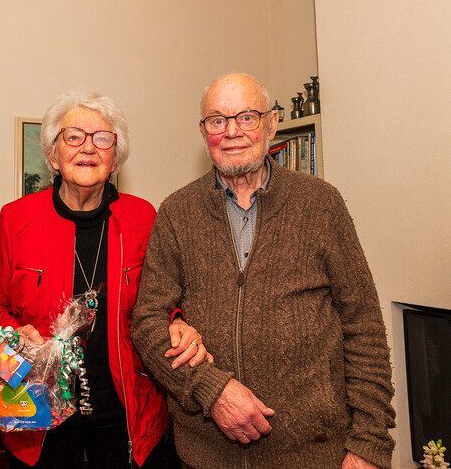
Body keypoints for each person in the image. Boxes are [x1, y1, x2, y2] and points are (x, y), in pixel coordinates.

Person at [131, 73, 396, 469]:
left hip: (315, 455)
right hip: (207, 457)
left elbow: (364, 327)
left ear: (271, 124)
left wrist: (369, 444)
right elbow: (147, 322)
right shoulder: (176, 212)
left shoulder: (321, 205)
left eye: (247, 117)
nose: (232, 131)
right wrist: (212, 391)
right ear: (204, 132)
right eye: (217, 120)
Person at [0, 89, 208, 468]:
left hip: (125, 412)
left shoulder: (143, 218)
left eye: (102, 138)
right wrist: (13, 337)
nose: (89, 148)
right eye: (74, 137)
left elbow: (163, 299)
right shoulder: (17, 219)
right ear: (52, 154)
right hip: (37, 411)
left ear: (115, 156)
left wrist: (178, 320)